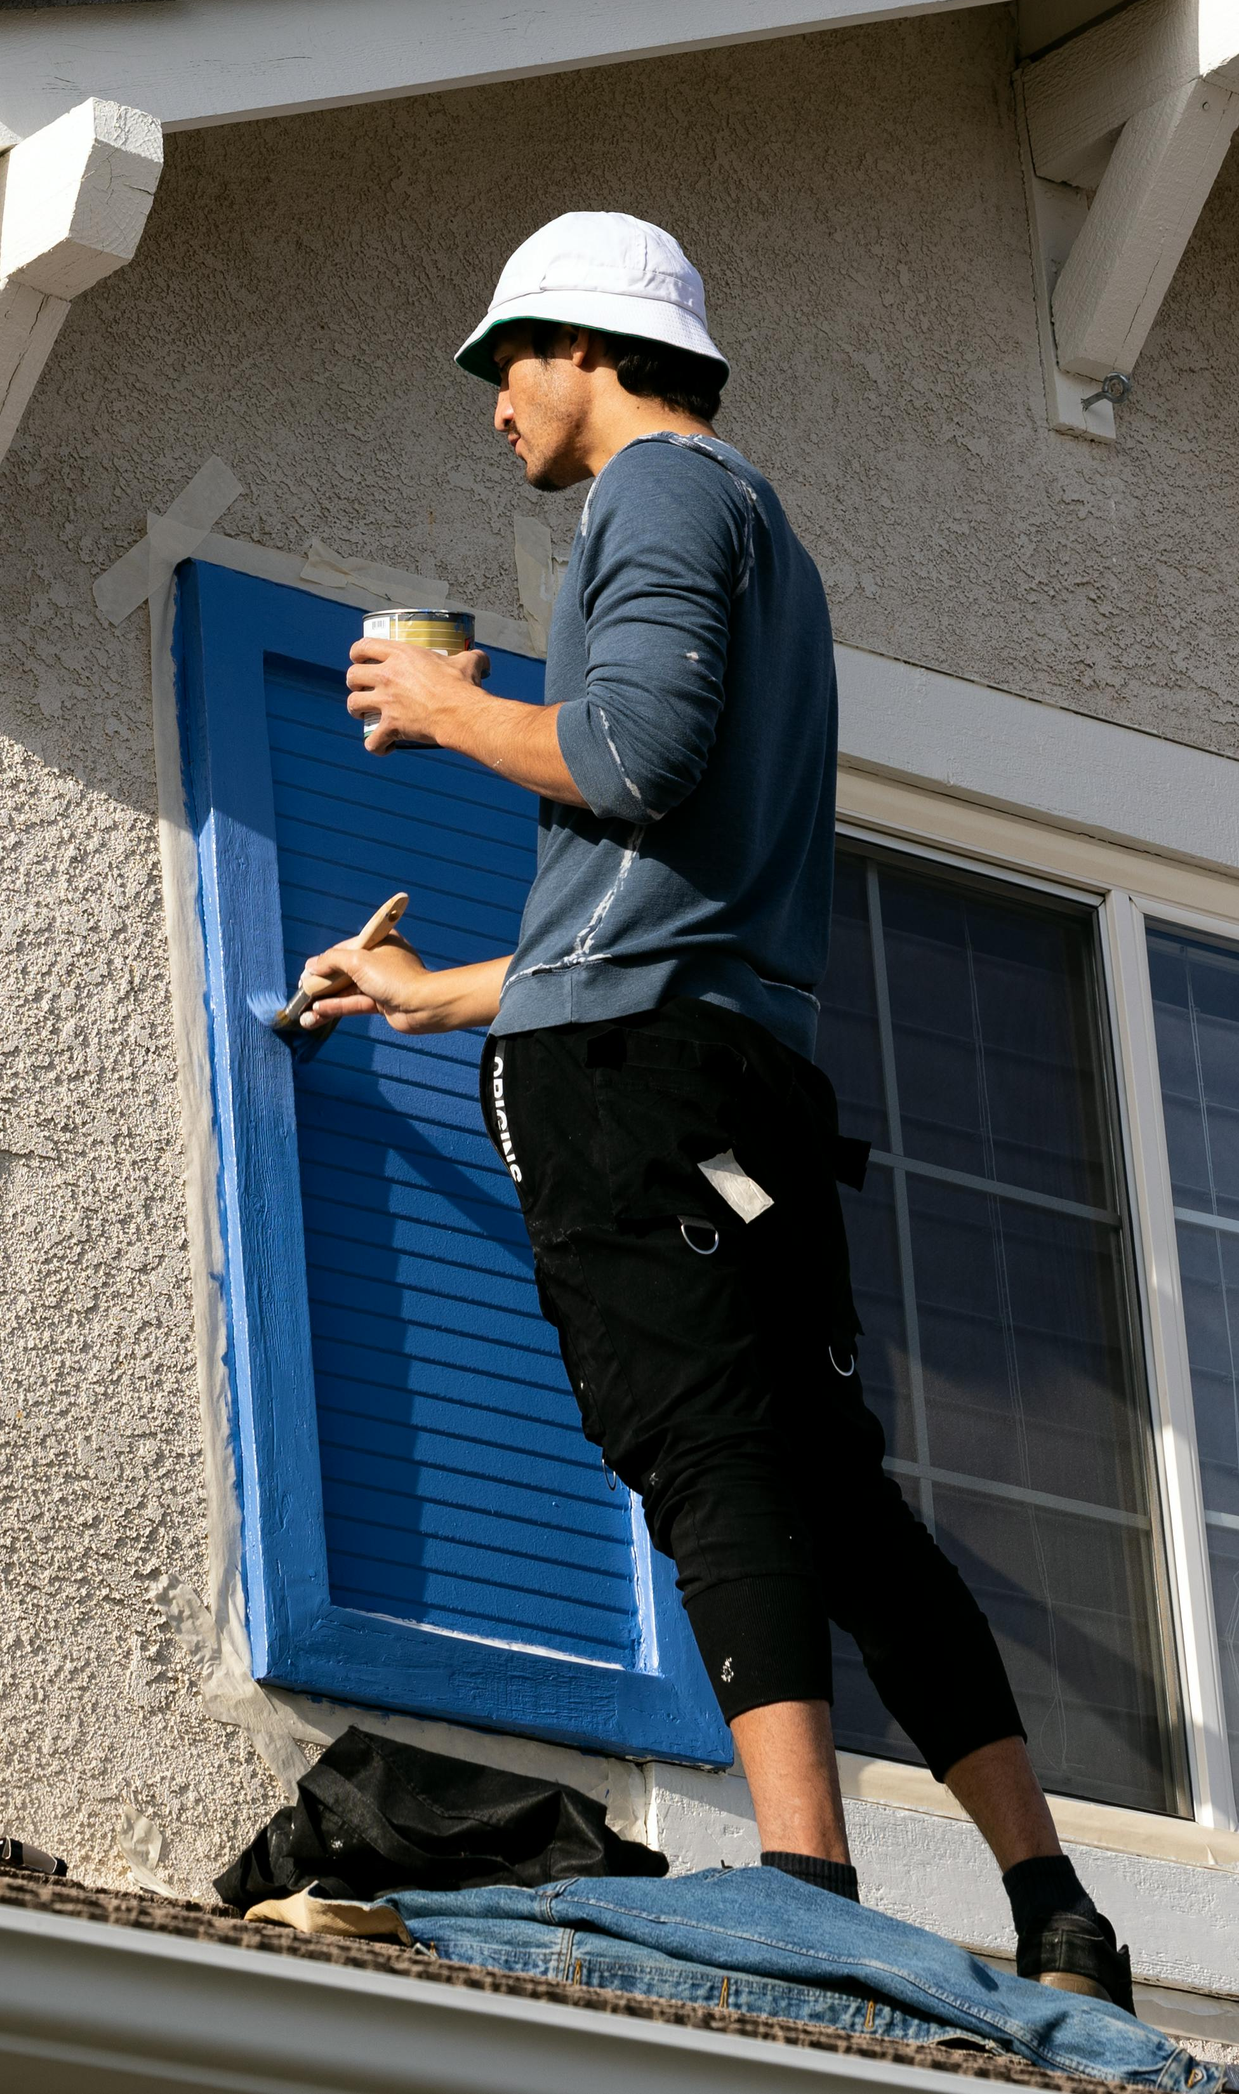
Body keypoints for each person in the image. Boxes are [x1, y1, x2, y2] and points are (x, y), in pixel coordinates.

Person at [299, 210, 1134, 2007]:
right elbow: (672, 906)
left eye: (504, 362)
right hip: (730, 1064)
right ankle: (1054, 1901)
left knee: (706, 1450)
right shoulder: (768, 539)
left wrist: (451, 707)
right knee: (838, 1489)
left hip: (634, 1087)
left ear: (587, 350)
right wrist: (436, 991)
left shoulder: (658, 501)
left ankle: (806, 1881)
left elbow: (628, 761)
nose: (492, 404)